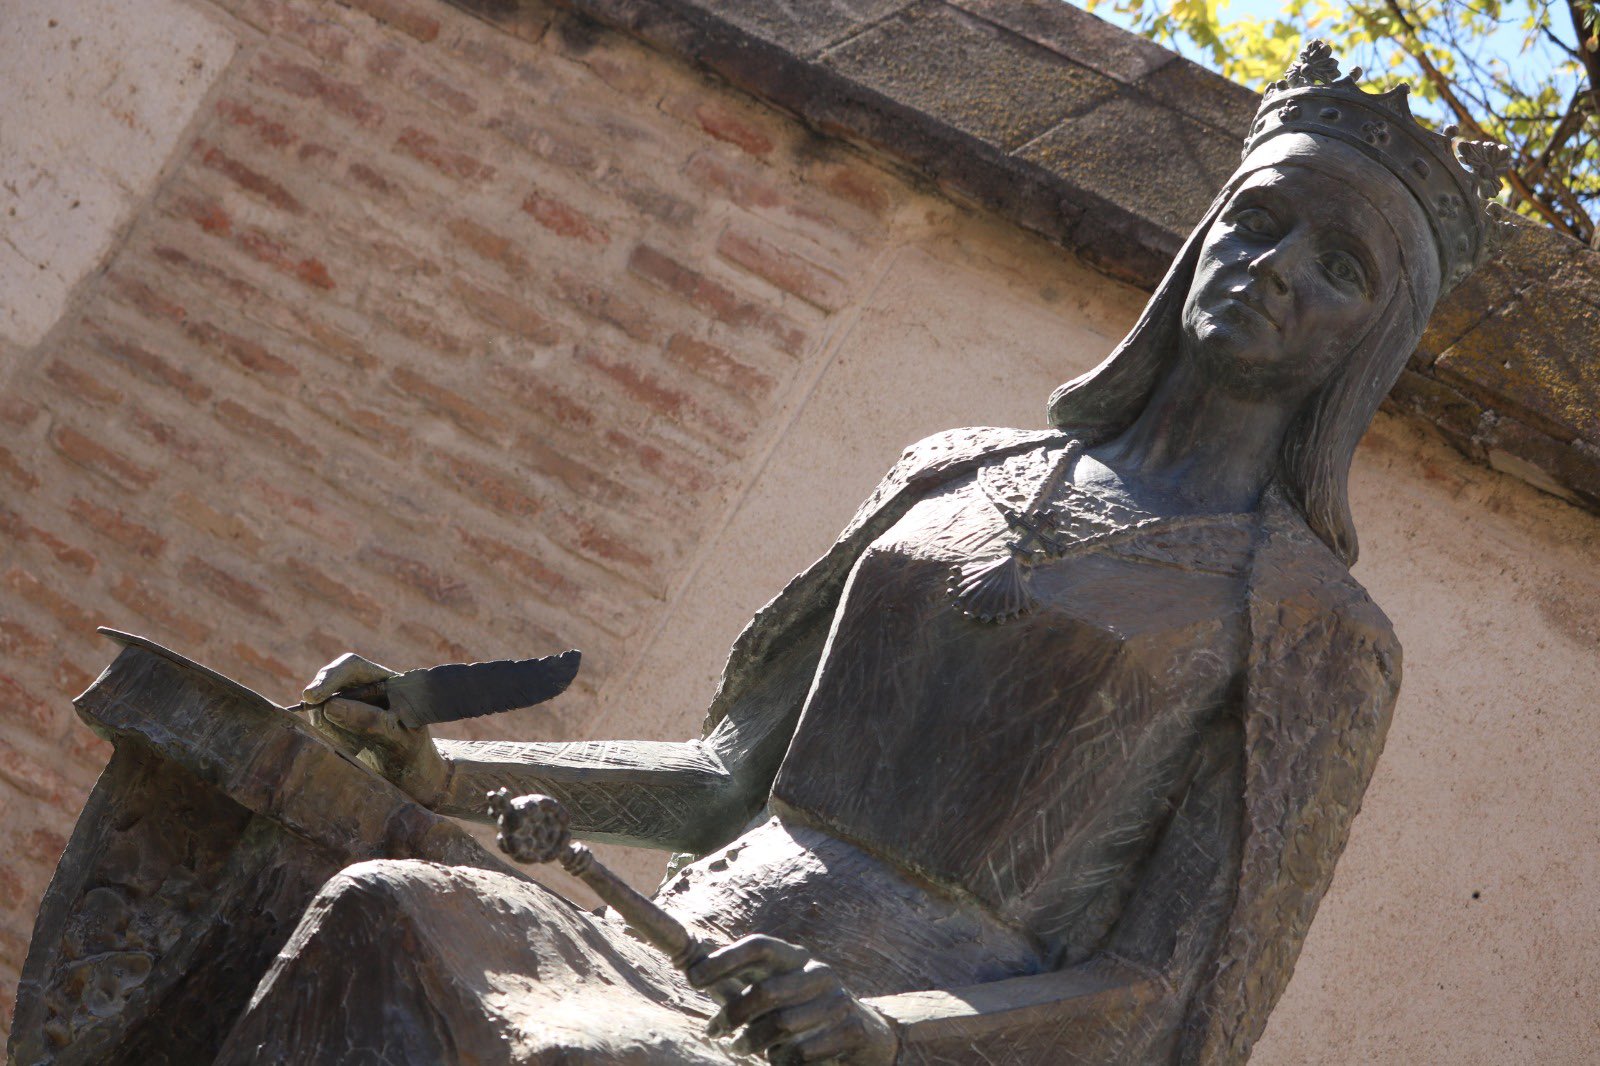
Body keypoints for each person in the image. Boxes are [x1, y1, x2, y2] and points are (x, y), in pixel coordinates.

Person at [214, 43, 1508, 1065]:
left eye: (1341, 265)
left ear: (1372, 341)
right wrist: (443, 767)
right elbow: (723, 775)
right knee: (379, 910)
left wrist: (890, 1030)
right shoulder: (953, 470)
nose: (1276, 268)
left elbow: (1164, 990)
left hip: (886, 1038)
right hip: (679, 941)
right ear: (1205, 234)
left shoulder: (1309, 624)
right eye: (1261, 219)